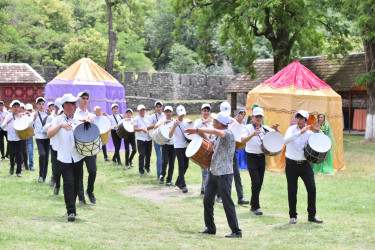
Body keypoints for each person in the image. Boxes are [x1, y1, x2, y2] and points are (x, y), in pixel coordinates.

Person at [185, 112, 242, 238]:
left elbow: (216, 132)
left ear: (220, 124)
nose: (213, 122)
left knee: (227, 202)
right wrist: (199, 133)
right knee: (207, 201)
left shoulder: (227, 134)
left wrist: (197, 129)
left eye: (215, 121)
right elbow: (210, 141)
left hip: (224, 175)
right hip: (214, 173)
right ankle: (210, 228)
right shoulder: (218, 137)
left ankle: (236, 231)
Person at [47, 93, 88, 222]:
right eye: (73, 103)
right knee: (68, 183)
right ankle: (71, 211)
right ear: (65, 105)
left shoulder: (78, 118)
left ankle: (72, 206)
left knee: (77, 183)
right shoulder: (57, 120)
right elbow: (49, 134)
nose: (76, 106)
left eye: (76, 103)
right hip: (64, 157)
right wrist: (60, 126)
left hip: (78, 156)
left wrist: (87, 123)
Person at [284, 110, 323, 224]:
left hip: (305, 164)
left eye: (301, 118)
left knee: (312, 188)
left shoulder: (310, 133)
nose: (298, 120)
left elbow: (321, 142)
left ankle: (312, 215)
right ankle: (293, 216)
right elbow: (285, 141)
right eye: (297, 118)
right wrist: (300, 132)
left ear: (306, 120)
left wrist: (318, 130)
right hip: (291, 164)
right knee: (292, 190)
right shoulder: (291, 129)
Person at [241, 107, 278, 215]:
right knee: (255, 181)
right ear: (252, 117)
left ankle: (253, 203)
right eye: (256, 116)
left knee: (259, 182)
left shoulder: (266, 128)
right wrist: (252, 134)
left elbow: (277, 138)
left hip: (262, 157)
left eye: (260, 116)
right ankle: (256, 207)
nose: (258, 118)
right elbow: (242, 140)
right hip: (251, 157)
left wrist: (276, 129)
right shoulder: (247, 128)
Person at [217, 102, 249, 205]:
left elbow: (237, 134)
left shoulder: (233, 121)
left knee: (236, 174)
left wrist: (238, 122)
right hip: (222, 152)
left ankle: (240, 197)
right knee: (221, 173)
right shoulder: (219, 121)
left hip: (232, 151)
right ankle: (220, 196)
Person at [75, 91, 97, 204]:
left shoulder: (91, 115)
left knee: (93, 171)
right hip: (78, 146)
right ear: (79, 100)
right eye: (83, 98)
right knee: (79, 173)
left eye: (87, 98)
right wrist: (82, 121)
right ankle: (81, 197)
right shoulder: (75, 114)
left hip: (89, 146)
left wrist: (94, 120)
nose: (85, 100)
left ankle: (90, 191)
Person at [1, 100, 32, 177]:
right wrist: (7, 122)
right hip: (11, 138)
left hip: (19, 138)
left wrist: (26, 115)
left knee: (19, 154)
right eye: (14, 107)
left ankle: (19, 171)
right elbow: (2, 127)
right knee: (12, 154)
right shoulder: (8, 116)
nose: (16, 108)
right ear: (12, 108)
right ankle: (11, 167)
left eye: (17, 107)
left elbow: (30, 123)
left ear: (19, 108)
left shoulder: (22, 116)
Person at [169, 105, 191, 193]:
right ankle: (183, 184)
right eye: (180, 115)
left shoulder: (186, 121)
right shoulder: (173, 122)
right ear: (177, 113)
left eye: (183, 115)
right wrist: (174, 126)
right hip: (178, 146)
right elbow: (170, 135)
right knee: (181, 165)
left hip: (186, 145)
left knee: (186, 165)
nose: (182, 116)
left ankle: (178, 181)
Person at [43, 99, 63, 195]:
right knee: (55, 166)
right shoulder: (52, 117)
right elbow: (45, 128)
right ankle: (56, 182)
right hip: (54, 144)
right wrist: (53, 126)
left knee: (64, 167)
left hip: (64, 146)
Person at [194, 103, 213, 195]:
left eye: (207, 111)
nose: (206, 113)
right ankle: (206, 190)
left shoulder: (212, 122)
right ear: (201, 111)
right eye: (204, 111)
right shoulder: (198, 121)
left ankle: (203, 188)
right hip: (201, 147)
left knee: (209, 169)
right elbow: (196, 129)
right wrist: (203, 122)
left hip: (210, 146)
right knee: (204, 169)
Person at [155, 106, 176, 186]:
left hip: (173, 144)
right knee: (165, 161)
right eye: (166, 112)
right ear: (164, 113)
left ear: (172, 113)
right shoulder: (162, 120)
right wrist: (164, 123)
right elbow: (155, 127)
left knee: (172, 163)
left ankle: (169, 180)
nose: (168, 113)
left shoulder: (174, 121)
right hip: (165, 144)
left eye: (169, 112)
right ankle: (162, 175)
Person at [33, 97, 50, 182]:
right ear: (36, 105)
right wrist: (34, 118)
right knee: (42, 154)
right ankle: (40, 175)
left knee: (46, 157)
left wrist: (50, 114)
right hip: (39, 137)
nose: (41, 106)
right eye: (39, 104)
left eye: (42, 104)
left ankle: (44, 176)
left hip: (47, 137)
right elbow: (29, 125)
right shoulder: (34, 114)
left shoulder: (47, 114)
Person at [133, 104, 153, 177]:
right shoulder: (136, 119)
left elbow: (151, 126)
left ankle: (147, 167)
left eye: (143, 110)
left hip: (148, 138)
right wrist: (141, 129)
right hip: (140, 139)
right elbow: (134, 129)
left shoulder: (148, 117)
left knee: (148, 154)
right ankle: (141, 170)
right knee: (141, 155)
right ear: (138, 111)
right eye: (141, 110)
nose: (142, 111)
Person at [150, 101, 166, 181]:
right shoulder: (153, 117)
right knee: (159, 157)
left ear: (162, 107)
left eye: (160, 106)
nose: (158, 108)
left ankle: (163, 173)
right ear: (155, 108)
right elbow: (150, 127)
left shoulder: (165, 115)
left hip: (164, 138)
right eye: (157, 107)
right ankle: (159, 174)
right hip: (156, 138)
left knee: (164, 157)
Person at [25, 103, 35, 171]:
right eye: (28, 110)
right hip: (22, 136)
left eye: (30, 110)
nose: (29, 111)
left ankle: (31, 165)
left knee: (30, 151)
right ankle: (23, 163)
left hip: (29, 136)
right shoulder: (22, 116)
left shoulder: (33, 117)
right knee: (23, 151)